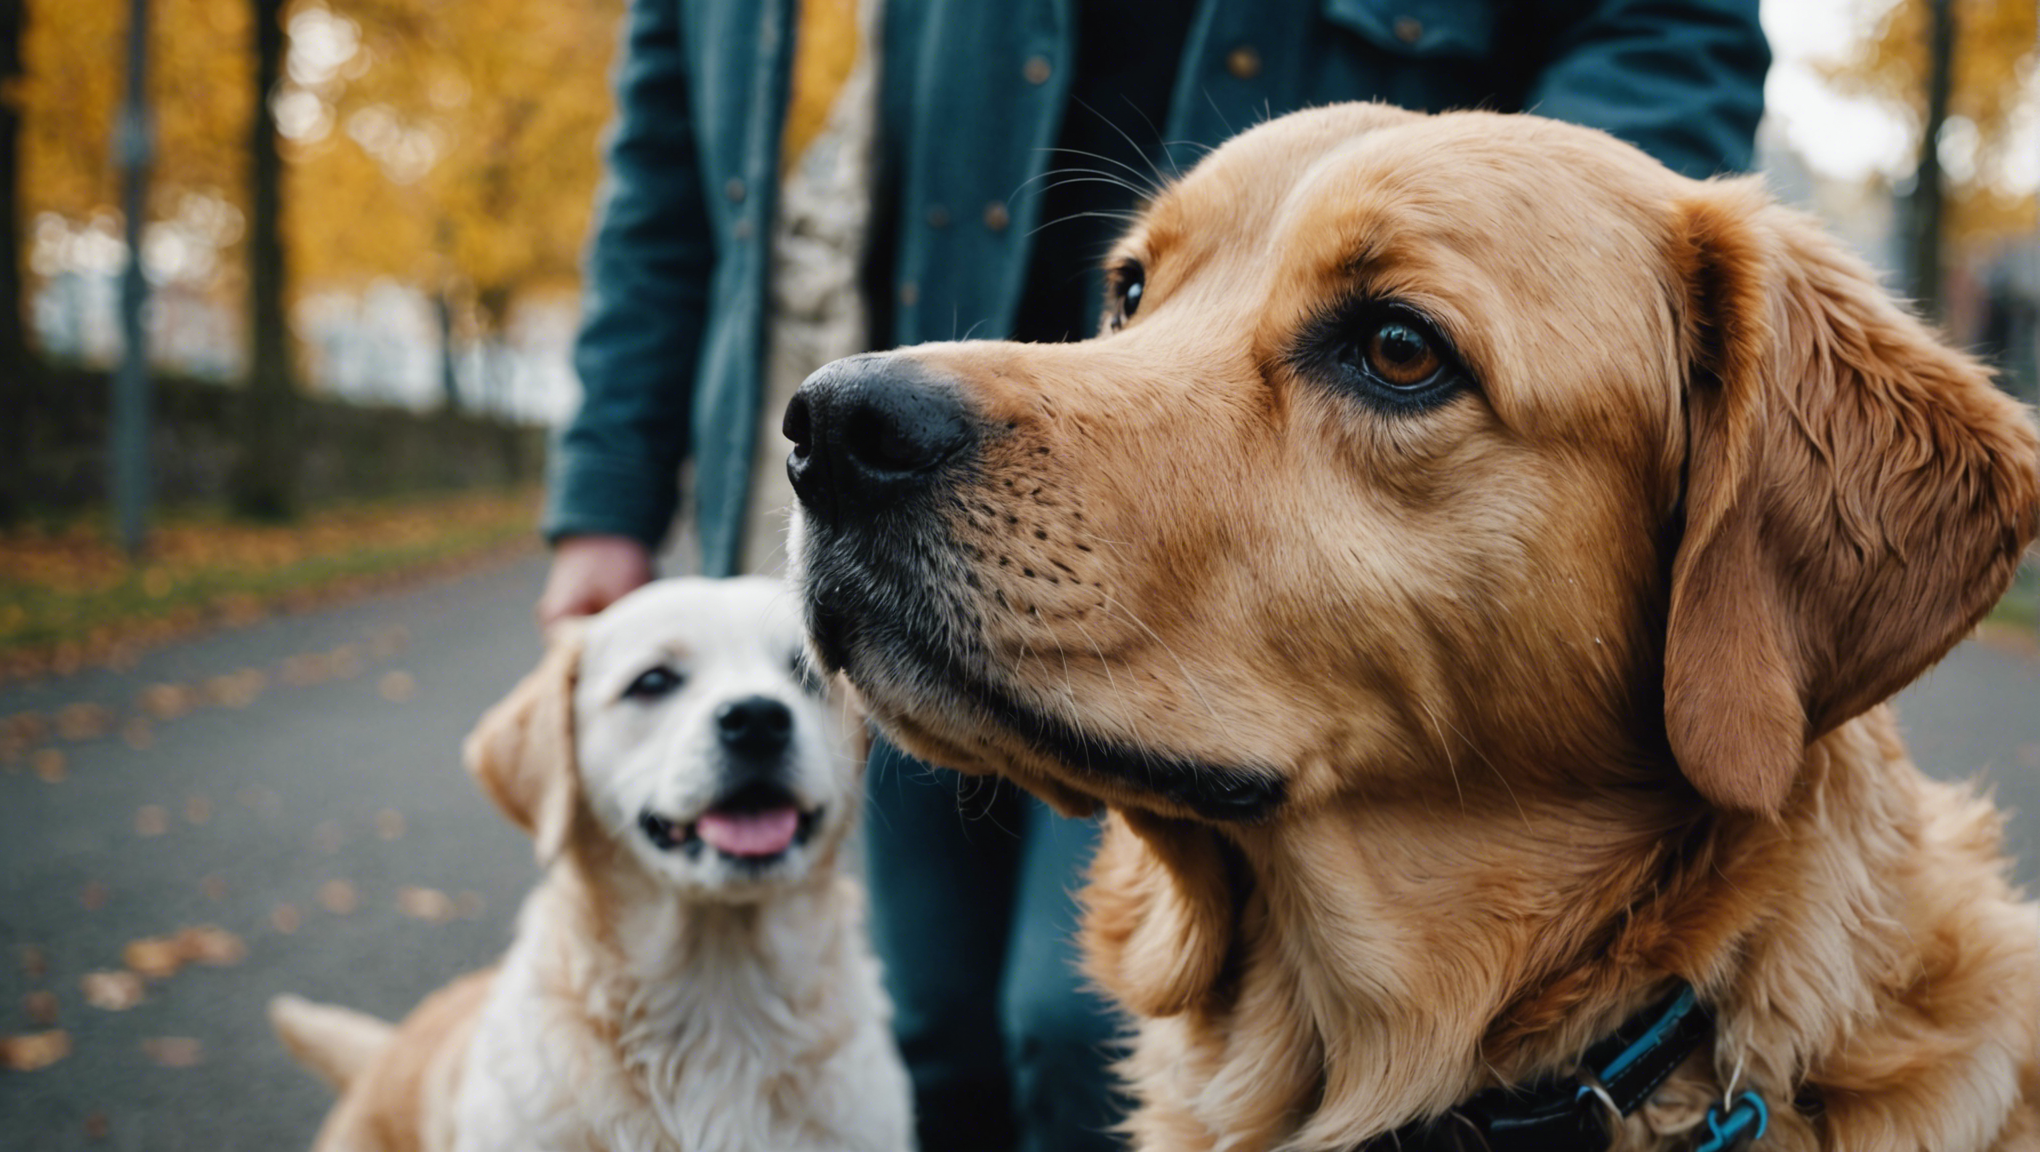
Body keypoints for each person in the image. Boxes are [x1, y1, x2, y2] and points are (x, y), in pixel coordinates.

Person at [537, 3, 1770, 1149]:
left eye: (1395, 349)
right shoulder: (937, 406)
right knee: (941, 1037)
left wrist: (1556, 228)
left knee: (1068, 1031)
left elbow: (1670, 25)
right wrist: (606, 492)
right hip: (970, 344)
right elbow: (666, 130)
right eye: (1134, 294)